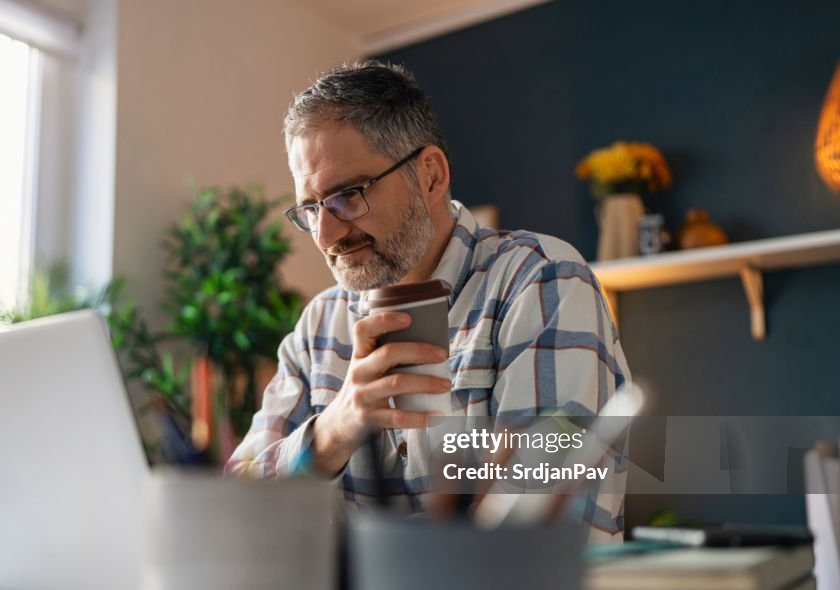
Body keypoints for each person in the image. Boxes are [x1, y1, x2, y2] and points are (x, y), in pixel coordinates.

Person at [226, 61, 630, 540]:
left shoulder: (540, 280)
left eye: (347, 196)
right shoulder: (318, 327)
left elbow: (539, 526)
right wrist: (335, 428)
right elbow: (230, 509)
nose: (325, 234)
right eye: (310, 210)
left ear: (431, 176)